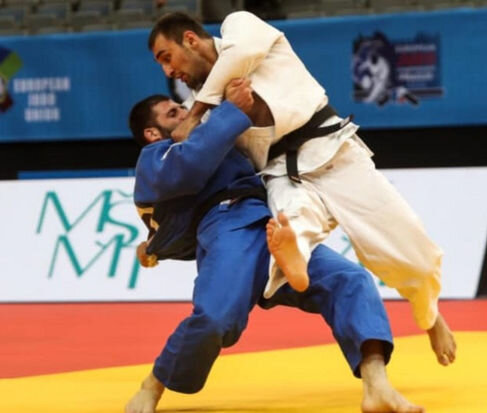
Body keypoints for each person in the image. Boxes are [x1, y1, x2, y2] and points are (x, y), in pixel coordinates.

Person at [146, 11, 456, 366]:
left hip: (333, 154)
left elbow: (239, 56)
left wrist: (200, 111)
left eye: (167, 57)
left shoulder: (239, 27)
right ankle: (296, 265)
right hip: (280, 173)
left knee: (416, 256)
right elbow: (195, 166)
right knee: (289, 229)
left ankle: (430, 316)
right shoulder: (195, 108)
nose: (168, 71)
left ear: (189, 39)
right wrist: (155, 236)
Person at [125, 81, 424, 413]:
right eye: (173, 113)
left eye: (181, 106)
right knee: (215, 319)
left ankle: (377, 385)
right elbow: (185, 176)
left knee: (349, 280)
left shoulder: (215, 134)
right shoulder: (156, 156)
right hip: (228, 224)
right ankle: (153, 384)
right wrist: (231, 110)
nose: (185, 111)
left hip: (271, 222)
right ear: (152, 133)